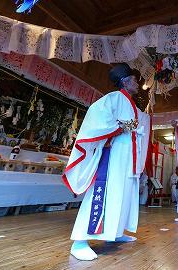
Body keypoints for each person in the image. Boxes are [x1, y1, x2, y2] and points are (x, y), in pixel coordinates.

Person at [63, 63, 150, 261]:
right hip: (114, 157)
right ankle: (79, 241)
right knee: (105, 193)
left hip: (127, 158)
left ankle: (115, 232)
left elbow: (134, 125)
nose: (137, 83)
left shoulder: (130, 104)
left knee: (123, 194)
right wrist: (118, 127)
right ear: (125, 82)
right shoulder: (114, 98)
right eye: (135, 80)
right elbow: (97, 115)